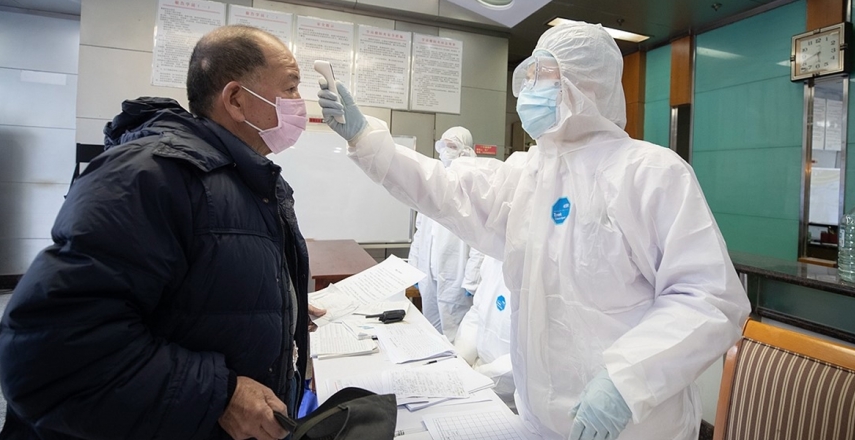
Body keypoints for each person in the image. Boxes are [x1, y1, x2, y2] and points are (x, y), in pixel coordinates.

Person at [318, 20, 751, 440]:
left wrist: (626, 381)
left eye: (543, 75)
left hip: (634, 424)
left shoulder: (650, 173)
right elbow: (447, 190)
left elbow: (707, 297)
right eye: (528, 77)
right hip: (537, 418)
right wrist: (367, 139)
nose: (529, 89)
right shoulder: (529, 173)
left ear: (586, 84)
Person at [0, 25, 322, 440]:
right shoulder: (151, 175)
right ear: (237, 99)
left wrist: (279, 307)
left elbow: (194, 288)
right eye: (291, 88)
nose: (300, 105)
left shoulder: (246, 178)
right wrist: (220, 396)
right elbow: (49, 351)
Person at [408, 126, 483, 342]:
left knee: (455, 333)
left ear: (466, 149)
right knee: (430, 329)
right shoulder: (434, 182)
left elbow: (481, 241)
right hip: (428, 271)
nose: (446, 151)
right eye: (443, 145)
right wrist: (413, 269)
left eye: (452, 146)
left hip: (455, 275)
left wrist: (472, 279)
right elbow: (420, 231)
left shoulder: (474, 185)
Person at [453, 254, 516, 410]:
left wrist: (476, 377)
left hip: (513, 398)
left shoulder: (544, 271)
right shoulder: (494, 257)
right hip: (478, 377)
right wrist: (461, 359)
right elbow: (477, 312)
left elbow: (527, 359)